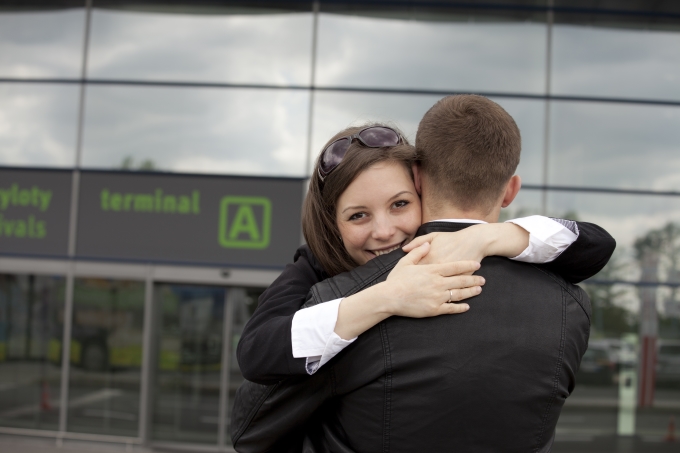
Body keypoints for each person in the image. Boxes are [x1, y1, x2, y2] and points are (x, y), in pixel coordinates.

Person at [231, 95, 615, 452]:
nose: (383, 231)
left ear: (417, 181)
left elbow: (251, 429)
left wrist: (490, 238)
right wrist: (386, 296)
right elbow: (258, 350)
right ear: (510, 190)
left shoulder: (335, 300)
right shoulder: (571, 305)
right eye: (358, 215)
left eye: (399, 204)